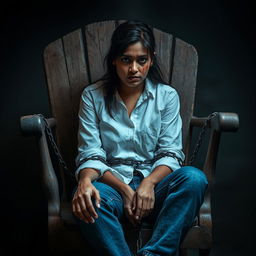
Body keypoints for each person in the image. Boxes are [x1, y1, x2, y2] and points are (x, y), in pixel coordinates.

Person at [72, 20, 208, 256]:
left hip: (156, 187)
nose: (134, 68)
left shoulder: (166, 96)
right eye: (126, 59)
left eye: (141, 60)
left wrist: (148, 184)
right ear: (114, 59)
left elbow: (170, 152)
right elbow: (91, 153)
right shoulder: (92, 96)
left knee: (194, 179)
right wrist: (120, 188)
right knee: (88, 200)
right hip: (111, 187)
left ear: (151, 60)